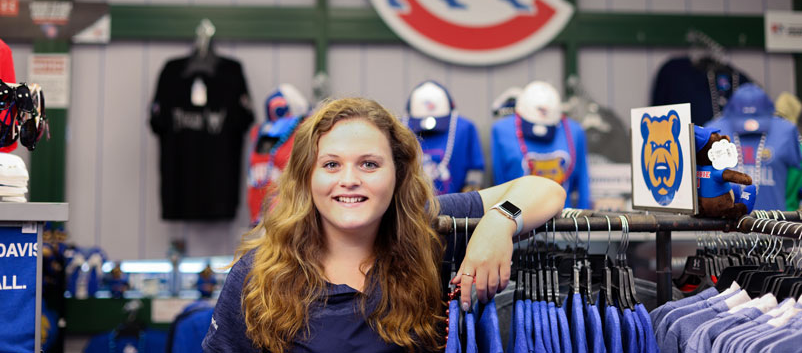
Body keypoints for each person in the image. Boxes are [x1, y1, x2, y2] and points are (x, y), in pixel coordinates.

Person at [202, 97, 565, 353]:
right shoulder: (257, 275)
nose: (349, 180)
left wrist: (499, 222)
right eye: (331, 165)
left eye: (369, 164)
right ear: (307, 177)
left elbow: (545, 189)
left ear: (398, 174)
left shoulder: (429, 231)